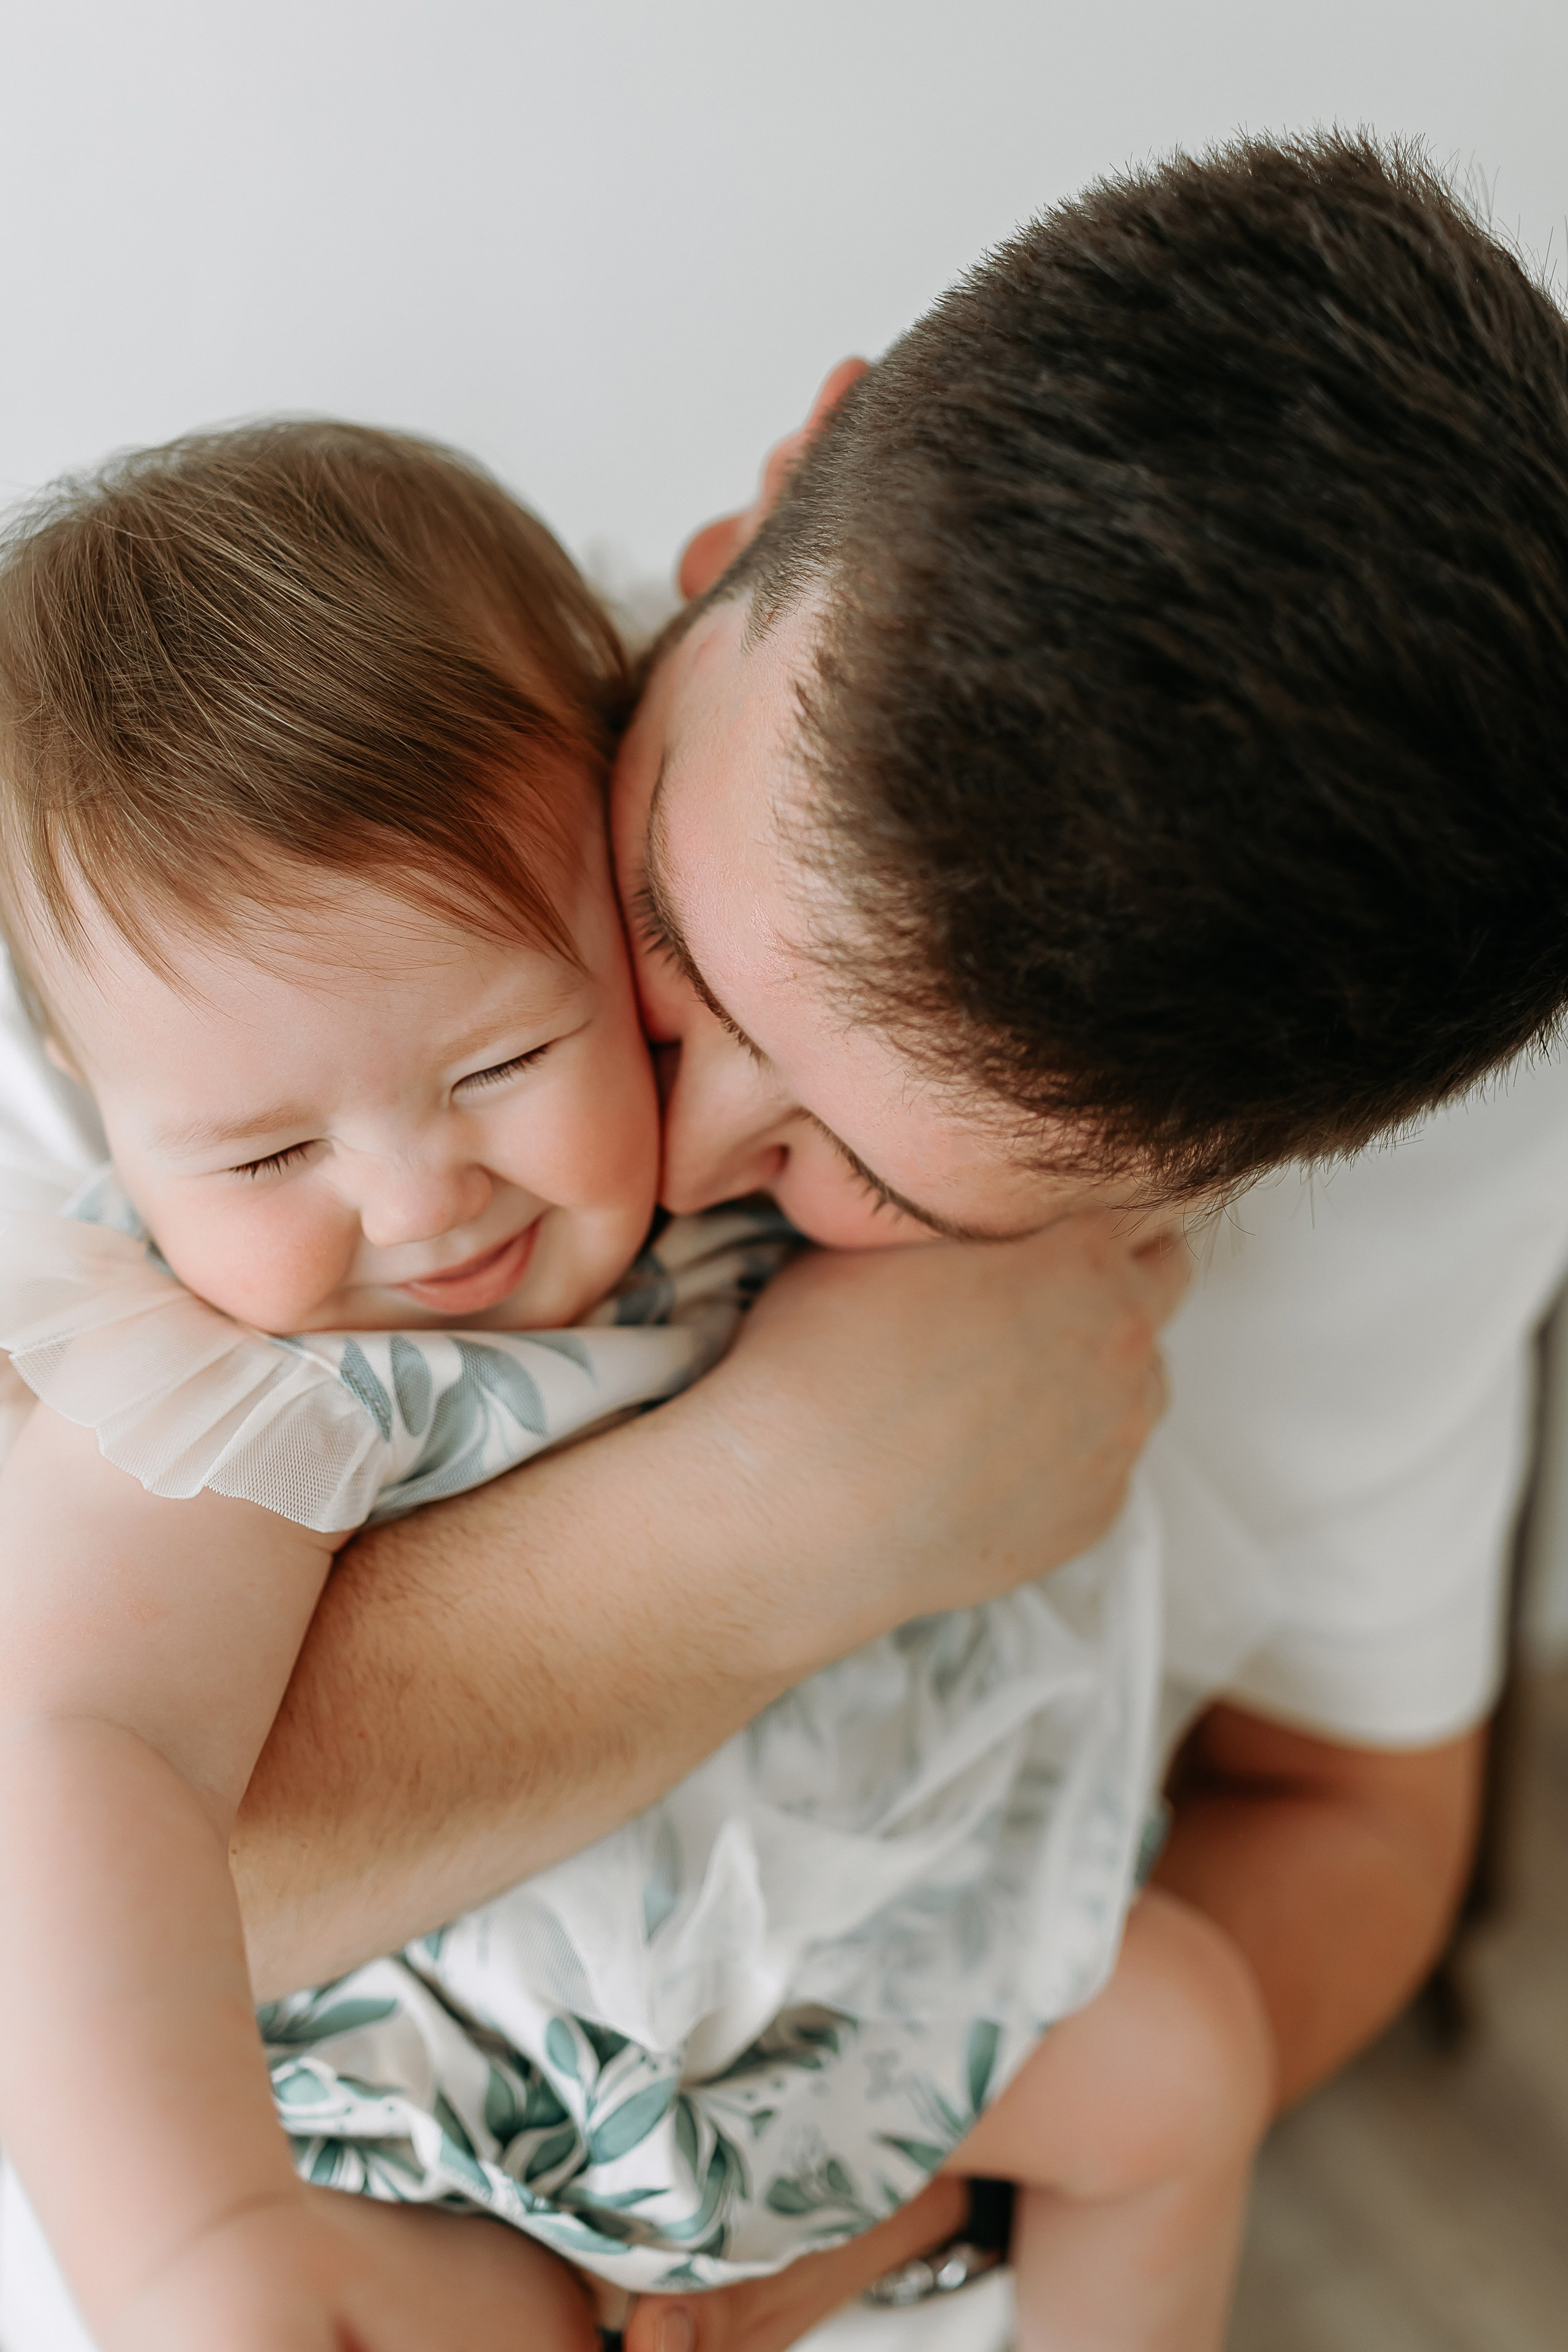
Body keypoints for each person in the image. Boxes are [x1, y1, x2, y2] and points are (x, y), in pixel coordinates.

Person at [4, 126, 1566, 2352]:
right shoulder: (270, 926)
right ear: (775, 500)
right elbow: (68, 1781)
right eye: (658, 926)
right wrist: (791, 1512)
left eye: (887, 1173)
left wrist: (862, 2219)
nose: (676, 1123)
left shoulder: (1414, 1121)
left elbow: (1355, 1825)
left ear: (1206, 1184)